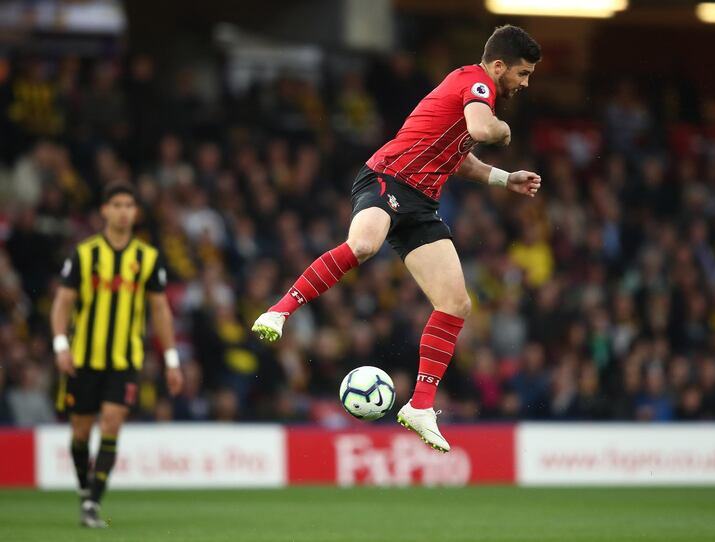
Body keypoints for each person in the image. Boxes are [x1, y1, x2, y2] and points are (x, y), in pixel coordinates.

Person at [253, 25, 542, 452]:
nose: (525, 83)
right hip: (389, 177)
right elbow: (483, 132)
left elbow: (458, 158)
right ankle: (279, 311)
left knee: (456, 303)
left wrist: (505, 179)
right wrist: (505, 132)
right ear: (499, 65)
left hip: (421, 204)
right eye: (522, 73)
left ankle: (420, 406)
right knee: (365, 245)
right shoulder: (476, 83)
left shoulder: (472, 93)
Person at [50, 182, 184, 528]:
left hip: (125, 361)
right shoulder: (85, 254)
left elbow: (160, 311)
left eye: (129, 205)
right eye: (117, 204)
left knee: (111, 422)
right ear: (105, 211)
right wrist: (61, 345)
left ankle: (92, 503)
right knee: (80, 432)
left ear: (135, 212)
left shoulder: (148, 258)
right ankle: (84, 490)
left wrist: (171, 359)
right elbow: (63, 303)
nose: (124, 211)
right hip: (83, 359)